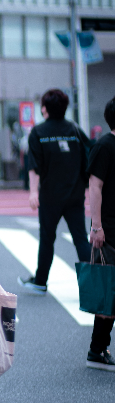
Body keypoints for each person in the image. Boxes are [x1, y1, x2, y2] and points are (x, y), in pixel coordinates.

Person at [18, 89, 91, 293]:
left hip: (50, 196)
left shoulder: (38, 132)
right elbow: (90, 154)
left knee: (48, 238)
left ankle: (40, 281)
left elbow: (34, 166)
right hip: (75, 194)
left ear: (44, 109)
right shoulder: (75, 130)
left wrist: (33, 192)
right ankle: (93, 285)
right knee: (80, 239)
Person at [86, 96, 115, 371]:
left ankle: (98, 348)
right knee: (109, 291)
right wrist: (96, 227)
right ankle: (97, 349)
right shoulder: (105, 146)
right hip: (109, 230)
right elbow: (95, 187)